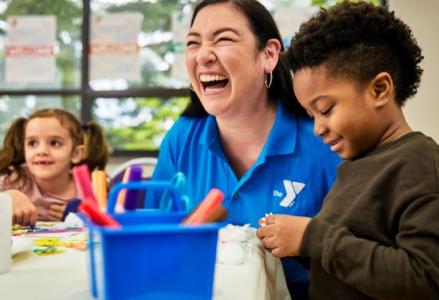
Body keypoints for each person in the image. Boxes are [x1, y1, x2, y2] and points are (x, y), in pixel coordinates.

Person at [256, 2, 439, 299]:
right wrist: (298, 245)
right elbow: (357, 259)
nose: (317, 128)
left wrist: (314, 237)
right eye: (311, 115)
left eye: (325, 109)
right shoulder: (356, 166)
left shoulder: (421, 163)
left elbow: (431, 280)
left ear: (379, 89)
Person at [145, 0, 341, 297]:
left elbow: (357, 256)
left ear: (269, 55)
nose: (203, 55)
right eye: (193, 43)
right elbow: (152, 237)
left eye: (223, 39)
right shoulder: (182, 136)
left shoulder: (323, 139)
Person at [0, 108, 109, 227]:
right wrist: (6, 197)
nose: (41, 151)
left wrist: (79, 214)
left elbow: (108, 221)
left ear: (76, 154)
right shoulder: (15, 180)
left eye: (55, 143)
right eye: (32, 143)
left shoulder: (89, 187)